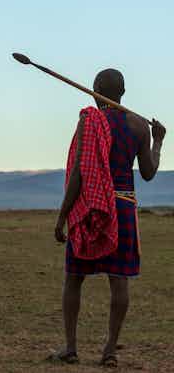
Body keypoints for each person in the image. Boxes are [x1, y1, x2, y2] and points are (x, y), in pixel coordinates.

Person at [51, 68, 166, 367]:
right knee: (120, 282)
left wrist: (62, 216)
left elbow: (79, 172)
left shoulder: (90, 120)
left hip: (92, 206)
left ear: (96, 88)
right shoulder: (139, 126)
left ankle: (71, 348)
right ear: (123, 93)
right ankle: (110, 351)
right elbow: (149, 173)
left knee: (73, 278)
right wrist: (158, 141)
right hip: (123, 207)